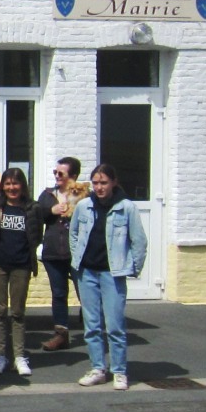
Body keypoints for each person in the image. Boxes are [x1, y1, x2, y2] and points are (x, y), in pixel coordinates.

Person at [70, 164, 147, 391]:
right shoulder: (84, 206)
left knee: (115, 325)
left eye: (103, 182)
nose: (99, 187)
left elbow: (139, 242)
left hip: (112, 273)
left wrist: (130, 267)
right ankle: (97, 368)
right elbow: (73, 234)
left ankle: (119, 371)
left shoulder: (126, 208)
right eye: (95, 183)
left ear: (113, 182)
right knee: (91, 325)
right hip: (87, 272)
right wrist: (77, 260)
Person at [0, 168, 45, 377]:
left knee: (18, 312)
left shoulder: (32, 208)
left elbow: (37, 235)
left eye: (15, 183)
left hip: (21, 265)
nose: (12, 188)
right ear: (2, 186)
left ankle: (19, 356)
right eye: (8, 184)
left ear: (23, 186)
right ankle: (0, 355)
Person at [37, 156, 86, 352]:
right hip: (54, 252)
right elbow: (36, 215)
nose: (57, 176)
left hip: (78, 253)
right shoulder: (48, 194)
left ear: (73, 176)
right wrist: (51, 210)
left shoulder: (84, 196)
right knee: (59, 294)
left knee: (86, 293)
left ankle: (94, 331)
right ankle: (61, 334)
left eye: (61, 174)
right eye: (55, 173)